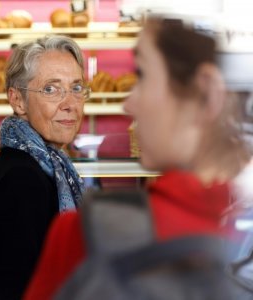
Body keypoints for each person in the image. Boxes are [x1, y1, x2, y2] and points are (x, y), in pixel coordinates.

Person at [23, 16, 253, 300]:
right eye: (51, 89)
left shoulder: (89, 234)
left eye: (142, 75)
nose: (128, 103)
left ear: (207, 92)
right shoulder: (236, 235)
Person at [0, 35, 87, 300]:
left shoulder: (44, 164)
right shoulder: (22, 178)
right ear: (18, 100)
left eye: (77, 88)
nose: (70, 104)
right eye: (51, 89)